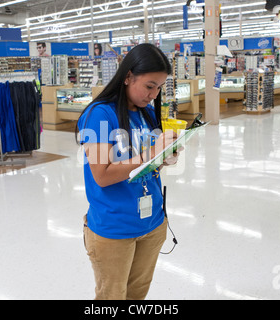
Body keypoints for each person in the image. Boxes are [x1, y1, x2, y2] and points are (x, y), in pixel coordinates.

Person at [76, 43, 181, 300]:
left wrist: (163, 159)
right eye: (149, 86)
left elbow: (143, 165)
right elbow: (102, 175)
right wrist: (150, 154)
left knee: (137, 294)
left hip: (152, 222)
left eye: (159, 88)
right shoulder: (99, 115)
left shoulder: (146, 114)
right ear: (127, 76)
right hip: (114, 229)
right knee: (112, 297)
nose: (154, 95)